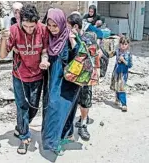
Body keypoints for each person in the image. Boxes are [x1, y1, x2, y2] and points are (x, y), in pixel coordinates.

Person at [0, 4, 49, 154]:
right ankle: (24, 138)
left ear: (37, 22)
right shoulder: (14, 30)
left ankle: (21, 126)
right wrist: (3, 39)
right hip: (19, 75)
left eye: (31, 26)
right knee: (22, 107)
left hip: (37, 75)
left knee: (33, 107)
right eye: (25, 26)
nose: (28, 29)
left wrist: (44, 60)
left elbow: (45, 51)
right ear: (20, 21)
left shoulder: (43, 30)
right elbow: (2, 55)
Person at [42, 8, 80, 155]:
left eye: (55, 25)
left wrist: (73, 40)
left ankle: (59, 138)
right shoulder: (48, 38)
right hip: (52, 82)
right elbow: (44, 53)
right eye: (49, 25)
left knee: (62, 110)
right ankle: (52, 141)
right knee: (52, 110)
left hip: (67, 84)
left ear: (62, 23)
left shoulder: (68, 37)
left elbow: (79, 56)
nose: (52, 29)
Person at [67, 12, 102, 141]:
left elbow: (89, 55)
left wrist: (73, 41)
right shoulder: (67, 38)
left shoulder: (88, 38)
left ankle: (83, 124)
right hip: (72, 77)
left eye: (68, 26)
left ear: (75, 26)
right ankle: (69, 126)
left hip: (86, 77)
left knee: (85, 102)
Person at [110, 36, 133, 112]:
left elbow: (130, 65)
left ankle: (124, 104)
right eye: (122, 44)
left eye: (125, 44)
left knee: (121, 88)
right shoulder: (117, 51)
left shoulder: (128, 54)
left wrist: (123, 61)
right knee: (116, 86)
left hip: (123, 74)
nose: (123, 45)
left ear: (128, 45)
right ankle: (117, 98)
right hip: (116, 72)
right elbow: (110, 55)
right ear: (119, 44)